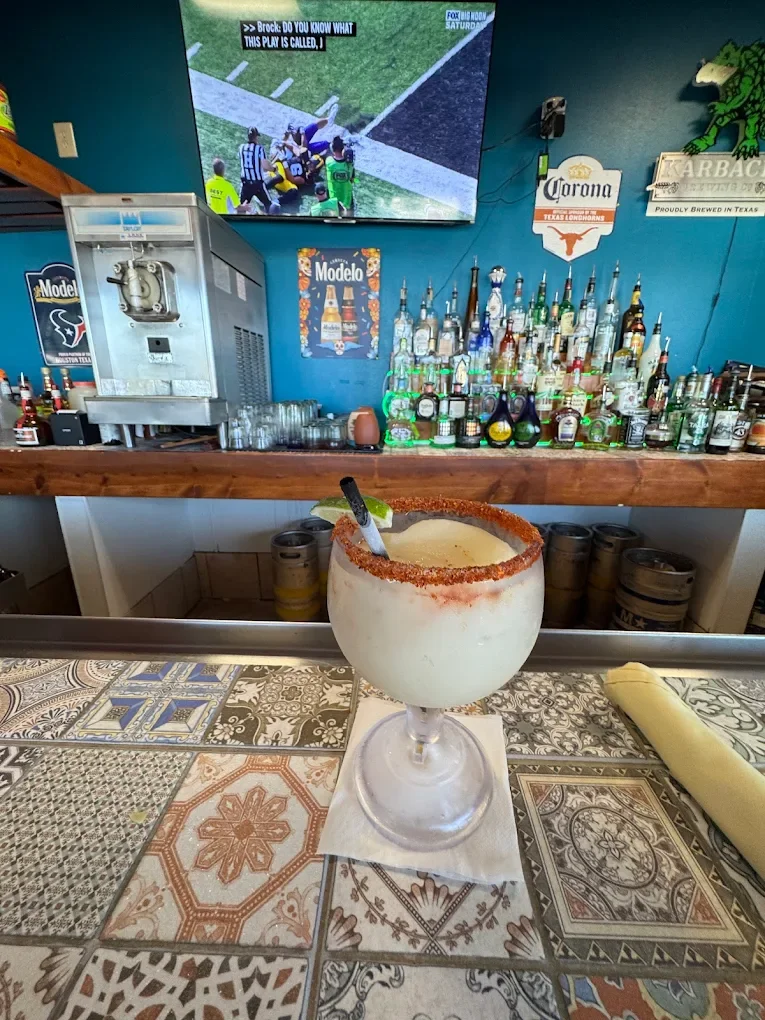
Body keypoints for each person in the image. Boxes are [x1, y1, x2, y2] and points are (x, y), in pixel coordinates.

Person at [238, 127, 281, 213]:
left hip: (245, 184)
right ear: (256, 137)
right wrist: (273, 169)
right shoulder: (259, 149)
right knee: (269, 206)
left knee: (241, 208)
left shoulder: (241, 148)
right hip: (257, 185)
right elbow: (265, 167)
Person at [324, 135, 355, 216]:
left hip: (333, 199)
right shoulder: (350, 165)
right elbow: (353, 180)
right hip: (347, 200)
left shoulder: (329, 162)